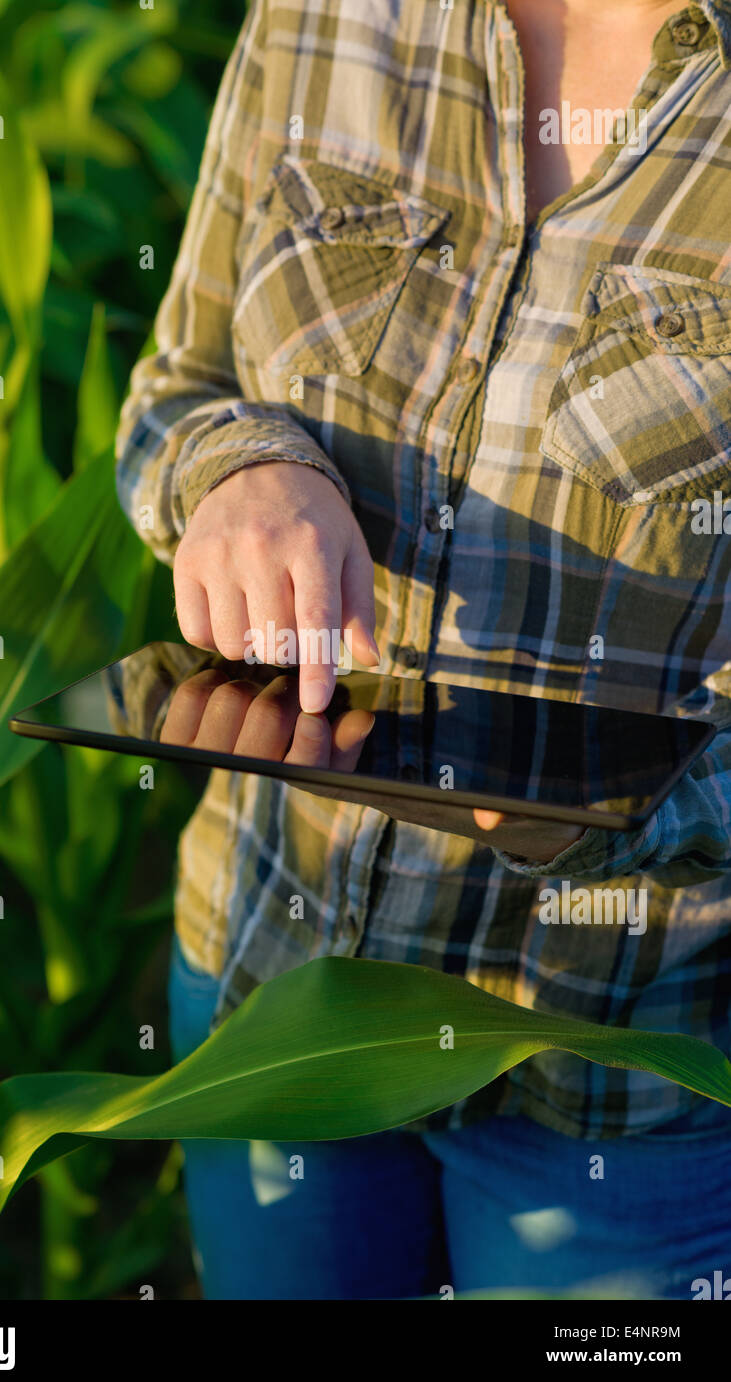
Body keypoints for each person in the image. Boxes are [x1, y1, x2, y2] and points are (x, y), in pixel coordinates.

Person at [116, 0, 731, 1299]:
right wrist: (242, 472)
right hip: (276, 999)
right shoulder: (328, 17)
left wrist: (643, 804)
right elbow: (178, 381)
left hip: (622, 1074)